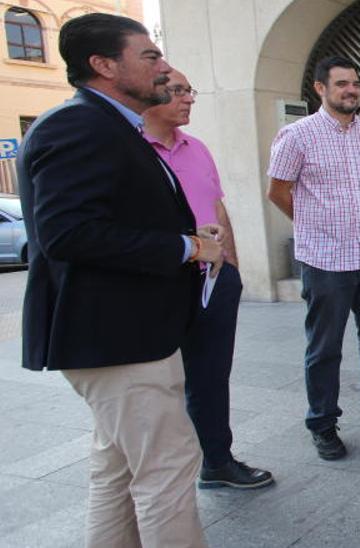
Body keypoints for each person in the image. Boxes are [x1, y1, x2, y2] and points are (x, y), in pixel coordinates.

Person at [17, 13, 220, 546]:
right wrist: (186, 246)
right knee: (168, 468)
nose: (164, 66)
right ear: (104, 65)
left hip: (123, 335)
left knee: (117, 470)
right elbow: (69, 234)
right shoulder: (77, 125)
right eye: (150, 56)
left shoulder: (109, 127)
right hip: (116, 337)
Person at [267, 55, 360, 461]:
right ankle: (323, 423)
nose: (351, 90)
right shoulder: (296, 136)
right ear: (320, 89)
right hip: (325, 260)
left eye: (355, 83)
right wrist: (315, 224)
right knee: (325, 347)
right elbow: (277, 192)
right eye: (341, 84)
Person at [143, 69, 274, 488]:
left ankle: (217, 461)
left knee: (211, 376)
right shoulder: (131, 151)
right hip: (160, 285)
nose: (189, 99)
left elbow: (217, 210)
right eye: (178, 91)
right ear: (152, 93)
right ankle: (163, 472)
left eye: (190, 90)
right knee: (156, 385)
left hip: (213, 282)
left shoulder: (196, 148)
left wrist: (231, 266)